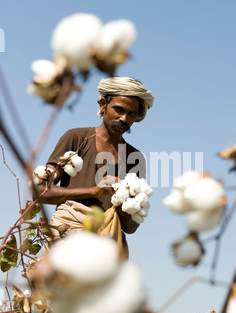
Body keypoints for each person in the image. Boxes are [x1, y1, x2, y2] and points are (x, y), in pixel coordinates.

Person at [34, 76, 154, 258]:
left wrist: (124, 202)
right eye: (119, 109)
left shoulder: (135, 159)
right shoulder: (77, 138)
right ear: (102, 104)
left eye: (131, 113)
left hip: (105, 249)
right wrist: (93, 191)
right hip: (66, 240)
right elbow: (40, 192)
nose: (124, 118)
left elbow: (130, 228)